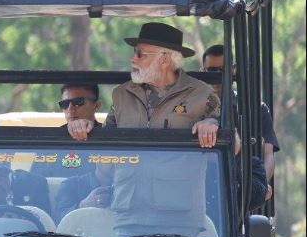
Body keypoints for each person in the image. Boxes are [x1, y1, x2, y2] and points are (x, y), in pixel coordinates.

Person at [66, 22, 220, 147]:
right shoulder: (121, 94)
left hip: (177, 187)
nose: (133, 59)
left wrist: (212, 125)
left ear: (164, 59)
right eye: (134, 52)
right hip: (126, 186)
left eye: (140, 54)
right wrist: (84, 126)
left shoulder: (202, 94)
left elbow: (235, 146)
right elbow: (106, 146)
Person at [203, 44, 278, 202]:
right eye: (211, 71)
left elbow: (268, 154)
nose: (217, 76)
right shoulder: (194, 107)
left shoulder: (256, 109)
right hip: (201, 189)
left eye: (222, 70)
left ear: (233, 70)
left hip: (241, 193)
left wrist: (259, 185)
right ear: (203, 71)